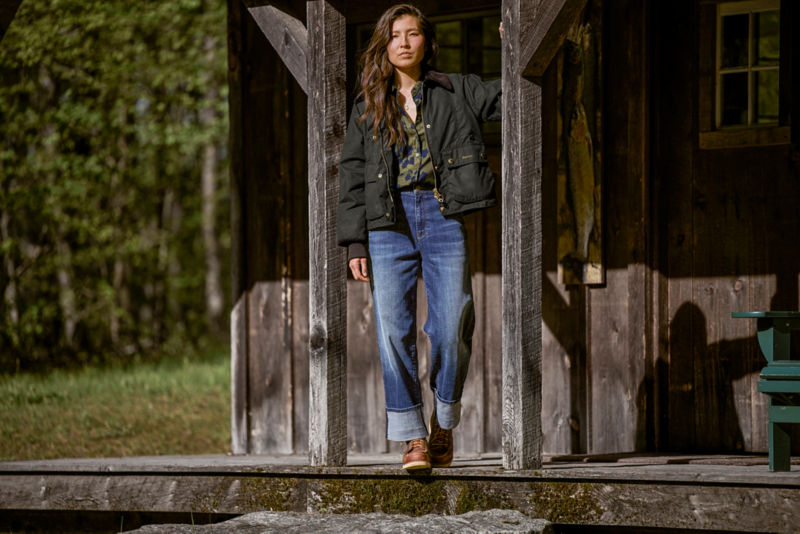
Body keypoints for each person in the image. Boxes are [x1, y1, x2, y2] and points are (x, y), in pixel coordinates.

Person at [336, 3, 501, 471]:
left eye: (412, 34)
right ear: (384, 45)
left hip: (443, 214)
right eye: (395, 35)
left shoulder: (457, 89)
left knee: (451, 324)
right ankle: (412, 437)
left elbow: (511, 95)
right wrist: (354, 242)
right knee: (393, 330)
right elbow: (351, 173)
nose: (404, 42)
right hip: (387, 223)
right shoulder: (369, 103)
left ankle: (443, 422)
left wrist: (514, 48)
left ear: (426, 41)